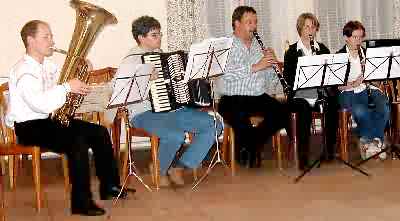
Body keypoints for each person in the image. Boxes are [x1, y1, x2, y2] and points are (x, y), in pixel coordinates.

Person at [6, 20, 128, 216]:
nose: (51, 41)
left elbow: (58, 90)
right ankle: (81, 203)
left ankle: (109, 186)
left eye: (51, 36)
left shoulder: (45, 65)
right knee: (76, 142)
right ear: (30, 40)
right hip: (27, 127)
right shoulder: (24, 71)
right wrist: (66, 87)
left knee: (99, 131)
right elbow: (40, 104)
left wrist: (79, 74)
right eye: (46, 37)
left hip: (46, 121)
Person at [113, 16, 222, 187]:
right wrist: (144, 78)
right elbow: (119, 90)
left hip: (173, 110)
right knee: (175, 135)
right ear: (141, 38)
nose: (160, 38)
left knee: (214, 125)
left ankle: (180, 167)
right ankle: (159, 169)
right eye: (154, 35)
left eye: (160, 34)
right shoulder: (131, 60)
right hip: (144, 113)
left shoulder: (161, 56)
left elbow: (176, 85)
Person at [217, 6, 311, 169]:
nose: (253, 26)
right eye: (249, 22)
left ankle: (252, 146)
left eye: (255, 22)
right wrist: (256, 66)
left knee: (287, 111)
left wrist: (274, 68)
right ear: (237, 24)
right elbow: (226, 74)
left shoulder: (259, 47)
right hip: (232, 96)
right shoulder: (225, 45)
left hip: (258, 96)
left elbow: (271, 83)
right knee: (238, 116)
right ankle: (249, 150)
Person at [284, 12, 339, 162]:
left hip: (319, 93)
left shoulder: (322, 49)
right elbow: (288, 78)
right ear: (300, 29)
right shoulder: (291, 52)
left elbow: (331, 76)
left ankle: (329, 150)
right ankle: (303, 155)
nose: (310, 30)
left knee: (333, 103)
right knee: (303, 108)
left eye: (313, 27)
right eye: (306, 27)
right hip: (300, 95)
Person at [337, 20, 390, 160]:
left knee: (384, 107)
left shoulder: (367, 54)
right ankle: (373, 142)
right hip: (349, 92)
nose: (359, 40)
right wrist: (354, 83)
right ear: (346, 38)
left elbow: (377, 78)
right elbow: (337, 85)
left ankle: (373, 142)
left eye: (361, 37)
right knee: (361, 111)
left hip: (369, 88)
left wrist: (376, 79)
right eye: (355, 37)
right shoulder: (339, 56)